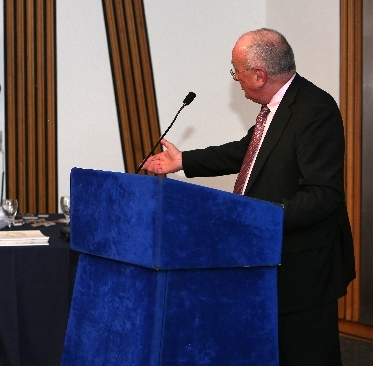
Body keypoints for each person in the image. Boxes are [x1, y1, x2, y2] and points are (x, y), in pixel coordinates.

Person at [142, 28, 355, 366]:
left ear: (259, 75)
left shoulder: (314, 109)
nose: (235, 79)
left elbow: (323, 195)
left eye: (235, 71)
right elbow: (246, 152)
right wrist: (183, 161)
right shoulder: (276, 107)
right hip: (268, 258)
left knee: (306, 354)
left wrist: (257, 218)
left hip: (303, 269)